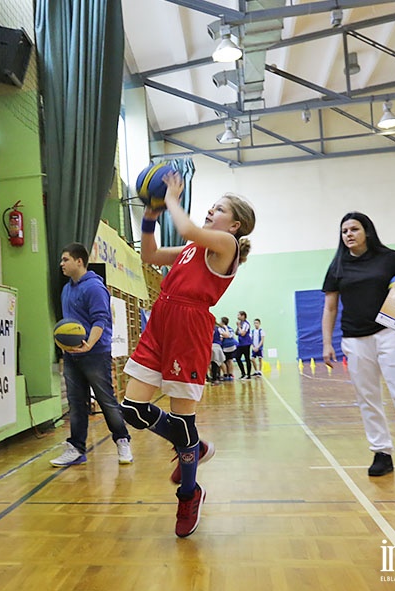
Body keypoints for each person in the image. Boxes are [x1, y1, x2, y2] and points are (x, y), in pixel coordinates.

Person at [120, 172, 255, 537]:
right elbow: (148, 254)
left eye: (220, 208)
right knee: (131, 410)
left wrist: (172, 199)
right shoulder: (192, 250)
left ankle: (189, 492)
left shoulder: (226, 245)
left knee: (183, 420)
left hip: (189, 328)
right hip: (162, 319)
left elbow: (188, 229)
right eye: (212, 206)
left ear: (235, 223)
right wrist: (150, 215)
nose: (212, 209)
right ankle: (193, 445)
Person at [321, 211, 395, 484]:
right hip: (354, 340)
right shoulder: (337, 266)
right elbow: (330, 307)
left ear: (367, 231)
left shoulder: (388, 258)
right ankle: (381, 453)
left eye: (354, 229)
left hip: (390, 334)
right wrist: (327, 343)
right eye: (344, 231)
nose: (348, 234)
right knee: (368, 398)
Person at [51, 243, 133, 467]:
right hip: (72, 355)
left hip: (95, 353)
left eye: (65, 259)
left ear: (79, 261)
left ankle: (122, 440)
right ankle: (77, 448)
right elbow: (67, 325)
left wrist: (89, 345)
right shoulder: (66, 288)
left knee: (106, 400)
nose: (61, 264)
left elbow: (101, 320)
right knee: (76, 403)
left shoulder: (95, 287)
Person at [234, 311, 252, 380]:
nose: (237, 316)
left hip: (246, 343)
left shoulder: (246, 324)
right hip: (240, 344)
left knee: (247, 358)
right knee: (237, 357)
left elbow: (242, 333)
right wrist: (238, 327)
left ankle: (248, 375)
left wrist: (239, 327)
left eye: (239, 315)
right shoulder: (241, 324)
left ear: (243, 316)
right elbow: (236, 333)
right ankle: (243, 373)